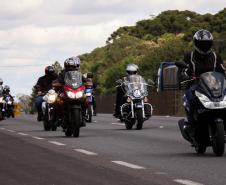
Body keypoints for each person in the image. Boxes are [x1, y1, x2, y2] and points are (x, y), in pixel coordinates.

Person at [182, 29, 225, 126]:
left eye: (207, 44)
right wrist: (184, 76)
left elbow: (222, 70)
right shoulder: (189, 55)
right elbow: (184, 70)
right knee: (191, 99)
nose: (204, 46)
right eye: (201, 44)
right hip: (195, 85)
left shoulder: (215, 55)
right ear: (196, 43)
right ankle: (191, 123)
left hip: (214, 86)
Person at [52, 56, 86, 127]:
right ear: (66, 66)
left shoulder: (78, 73)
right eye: (69, 66)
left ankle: (83, 116)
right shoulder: (62, 73)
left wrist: (88, 82)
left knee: (85, 99)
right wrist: (56, 83)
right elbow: (58, 80)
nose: (71, 67)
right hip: (65, 91)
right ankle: (58, 119)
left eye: (73, 66)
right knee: (57, 101)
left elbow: (84, 80)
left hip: (76, 90)